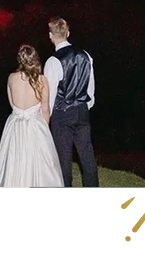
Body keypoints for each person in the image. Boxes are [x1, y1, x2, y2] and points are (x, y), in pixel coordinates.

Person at [0, 44, 66, 188]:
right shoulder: (42, 80)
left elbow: (12, 103)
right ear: (35, 59)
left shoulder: (11, 78)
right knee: (39, 162)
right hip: (35, 125)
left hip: (15, 124)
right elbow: (45, 108)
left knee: (14, 159)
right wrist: (45, 128)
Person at [44, 16, 98, 189]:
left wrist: (48, 117)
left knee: (63, 159)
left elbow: (50, 95)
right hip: (82, 110)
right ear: (68, 33)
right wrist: (86, 105)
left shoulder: (53, 61)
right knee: (87, 155)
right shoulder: (86, 56)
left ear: (51, 36)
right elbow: (91, 86)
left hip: (62, 114)